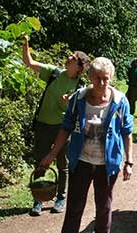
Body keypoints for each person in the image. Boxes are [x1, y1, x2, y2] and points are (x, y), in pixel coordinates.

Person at [40, 57, 134, 233]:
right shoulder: (79, 98)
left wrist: (129, 162)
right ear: (90, 77)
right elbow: (66, 128)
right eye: (97, 77)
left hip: (107, 165)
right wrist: (53, 153)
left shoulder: (120, 102)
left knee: (104, 208)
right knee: (74, 207)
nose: (102, 82)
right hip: (80, 161)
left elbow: (127, 133)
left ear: (111, 78)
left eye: (106, 78)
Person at [22, 36, 91, 216]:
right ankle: (38, 199)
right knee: (40, 162)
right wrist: (25, 43)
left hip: (63, 128)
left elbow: (77, 110)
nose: (69, 57)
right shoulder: (54, 73)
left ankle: (60, 198)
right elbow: (29, 62)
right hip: (43, 125)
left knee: (62, 164)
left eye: (73, 57)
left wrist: (68, 103)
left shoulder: (80, 86)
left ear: (79, 67)